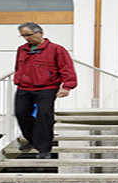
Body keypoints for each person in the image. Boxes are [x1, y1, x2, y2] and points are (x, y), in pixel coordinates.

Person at [13, 22, 77, 159]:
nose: (26, 38)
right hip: (24, 87)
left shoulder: (56, 49)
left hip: (47, 88)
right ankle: (33, 140)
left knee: (44, 116)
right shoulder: (22, 49)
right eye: (23, 36)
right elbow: (18, 67)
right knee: (21, 114)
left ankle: (44, 149)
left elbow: (66, 68)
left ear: (40, 33)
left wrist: (67, 86)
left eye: (29, 35)